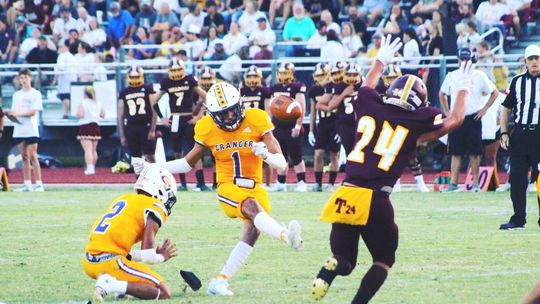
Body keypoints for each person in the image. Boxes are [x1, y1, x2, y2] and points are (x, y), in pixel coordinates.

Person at [310, 35, 474, 304]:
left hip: (346, 193)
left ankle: (331, 269)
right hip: (376, 198)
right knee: (384, 259)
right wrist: (464, 89)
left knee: (344, 260)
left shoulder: (369, 102)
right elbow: (454, 120)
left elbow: (366, 86)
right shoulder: (416, 119)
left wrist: (379, 62)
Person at [132, 82, 303, 296]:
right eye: (223, 113)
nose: (229, 116)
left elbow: (282, 165)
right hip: (228, 186)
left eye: (232, 109)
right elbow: (187, 163)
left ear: (239, 104)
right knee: (251, 207)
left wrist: (266, 155)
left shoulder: (257, 118)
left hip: (255, 186)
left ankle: (220, 281)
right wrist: (153, 166)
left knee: (252, 231)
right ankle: (287, 236)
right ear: (212, 114)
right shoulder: (206, 127)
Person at [82, 165, 178, 302]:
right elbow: (148, 256)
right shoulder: (155, 206)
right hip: (111, 263)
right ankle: (111, 284)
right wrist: (162, 256)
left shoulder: (124, 198)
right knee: (164, 292)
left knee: (136, 274)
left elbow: (126, 253)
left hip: (89, 262)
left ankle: (119, 288)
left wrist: (151, 253)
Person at [439, 47, 499, 192]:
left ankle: (476, 183)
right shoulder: (452, 75)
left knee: (475, 152)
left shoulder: (479, 75)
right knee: (456, 152)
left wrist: (484, 109)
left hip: (472, 116)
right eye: (462, 59)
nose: (464, 62)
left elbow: (494, 92)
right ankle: (453, 183)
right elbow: (442, 93)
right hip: (457, 117)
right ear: (458, 60)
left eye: (466, 59)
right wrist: (447, 112)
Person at [151, 58, 209, 191]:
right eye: (174, 70)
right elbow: (154, 101)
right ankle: (182, 183)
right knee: (178, 152)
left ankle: (201, 183)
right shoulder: (167, 82)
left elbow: (206, 96)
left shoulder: (189, 80)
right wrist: (162, 118)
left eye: (178, 69)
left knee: (196, 151)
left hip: (188, 118)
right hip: (175, 119)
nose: (176, 72)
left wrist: (198, 116)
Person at [499, 45, 540, 230]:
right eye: (531, 59)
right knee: (516, 178)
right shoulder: (516, 81)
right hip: (521, 134)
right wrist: (504, 132)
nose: (534, 62)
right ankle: (518, 219)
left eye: (537, 58)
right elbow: (506, 108)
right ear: (525, 61)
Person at [268, 62, 308, 192]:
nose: (283, 75)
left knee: (296, 156)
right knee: (281, 155)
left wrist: (298, 126)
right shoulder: (274, 88)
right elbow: (270, 108)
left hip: (292, 126)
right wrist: (270, 125)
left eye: (285, 73)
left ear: (291, 73)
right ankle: (281, 182)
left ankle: (302, 181)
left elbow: (301, 107)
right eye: (280, 73)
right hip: (278, 127)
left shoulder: (297, 86)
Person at [4, 69, 44, 192]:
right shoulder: (17, 95)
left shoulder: (35, 93)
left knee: (33, 155)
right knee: (24, 156)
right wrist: (9, 113)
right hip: (19, 129)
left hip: (31, 129)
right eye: (21, 78)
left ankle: (39, 184)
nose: (23, 80)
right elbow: (14, 111)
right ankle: (27, 184)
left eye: (25, 78)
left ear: (30, 78)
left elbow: (33, 112)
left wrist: (18, 114)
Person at [308, 63, 340, 192]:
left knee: (334, 155)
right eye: (317, 76)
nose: (319, 78)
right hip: (322, 123)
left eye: (321, 75)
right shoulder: (314, 90)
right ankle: (318, 183)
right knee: (318, 154)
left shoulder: (335, 87)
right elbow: (313, 111)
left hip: (335, 122)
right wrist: (310, 130)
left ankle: (331, 183)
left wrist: (340, 128)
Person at [118, 66, 157, 166]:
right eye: (132, 77)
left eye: (136, 77)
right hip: (131, 126)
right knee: (136, 158)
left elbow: (154, 109)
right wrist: (122, 135)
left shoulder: (148, 88)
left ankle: (155, 178)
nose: (134, 79)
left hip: (145, 125)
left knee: (150, 156)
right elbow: (121, 115)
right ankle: (139, 180)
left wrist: (152, 129)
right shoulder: (124, 92)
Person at [77, 86, 105, 175]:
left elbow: (80, 114)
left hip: (85, 125)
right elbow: (103, 114)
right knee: (94, 149)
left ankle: (90, 168)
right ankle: (93, 166)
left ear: (85, 94)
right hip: (95, 125)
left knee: (87, 149)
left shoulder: (83, 103)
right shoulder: (98, 103)